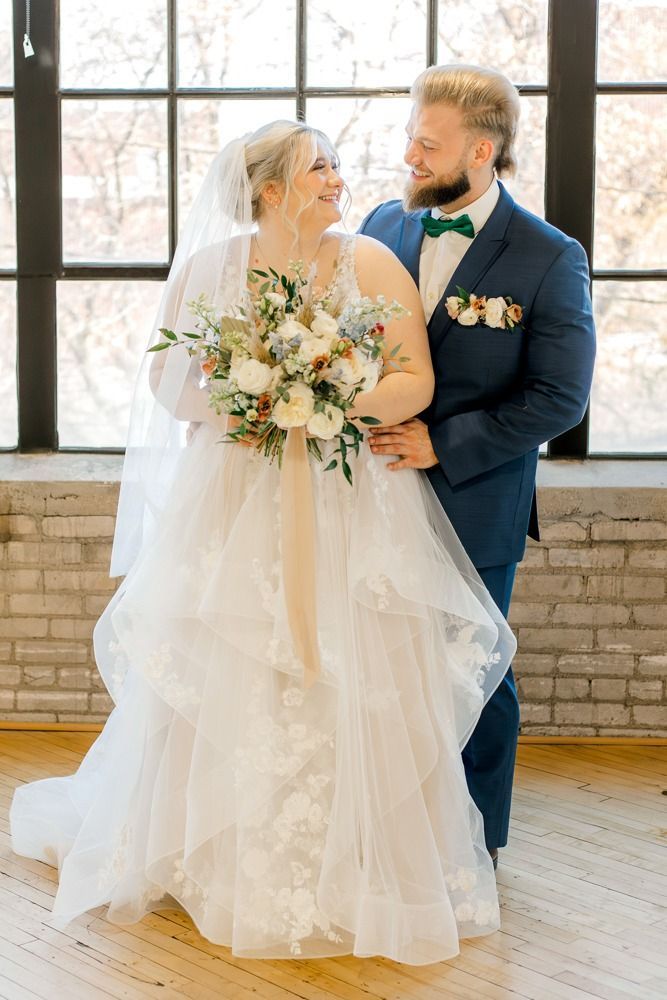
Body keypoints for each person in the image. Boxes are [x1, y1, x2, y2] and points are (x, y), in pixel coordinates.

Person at [10, 121, 517, 965]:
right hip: (235, 494)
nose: (337, 179)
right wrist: (244, 407)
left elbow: (413, 379)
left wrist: (326, 408)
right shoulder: (212, 268)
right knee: (231, 654)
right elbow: (169, 378)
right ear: (272, 190)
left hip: (350, 496)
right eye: (319, 168)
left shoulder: (369, 262)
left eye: (336, 166)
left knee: (355, 659)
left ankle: (361, 854)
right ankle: (206, 847)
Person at [360, 65, 596, 868]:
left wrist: (444, 444)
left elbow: (559, 398)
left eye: (428, 145)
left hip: (475, 498)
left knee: (475, 672)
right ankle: (390, 832)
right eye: (410, 139)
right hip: (371, 494)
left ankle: (475, 848)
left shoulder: (547, 256)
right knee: (378, 664)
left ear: (481, 151)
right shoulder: (381, 224)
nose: (410, 157)